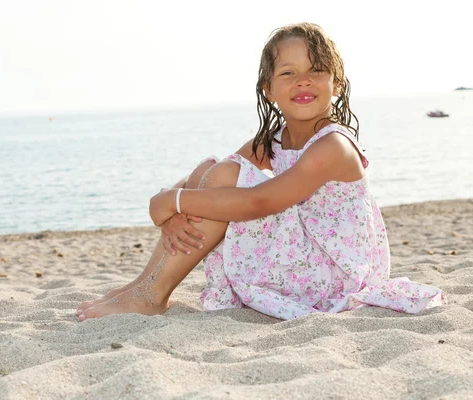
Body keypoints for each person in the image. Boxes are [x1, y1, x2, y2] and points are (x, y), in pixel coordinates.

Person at [77, 22, 444, 321]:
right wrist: (171, 207)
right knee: (214, 168)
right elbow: (210, 175)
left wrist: (171, 201)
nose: (302, 81)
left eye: (316, 71)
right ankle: (143, 286)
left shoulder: (332, 147)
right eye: (288, 73)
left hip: (332, 272)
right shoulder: (276, 139)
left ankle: (152, 294)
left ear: (337, 83)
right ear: (269, 89)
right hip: (302, 253)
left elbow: (259, 202)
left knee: (224, 179)